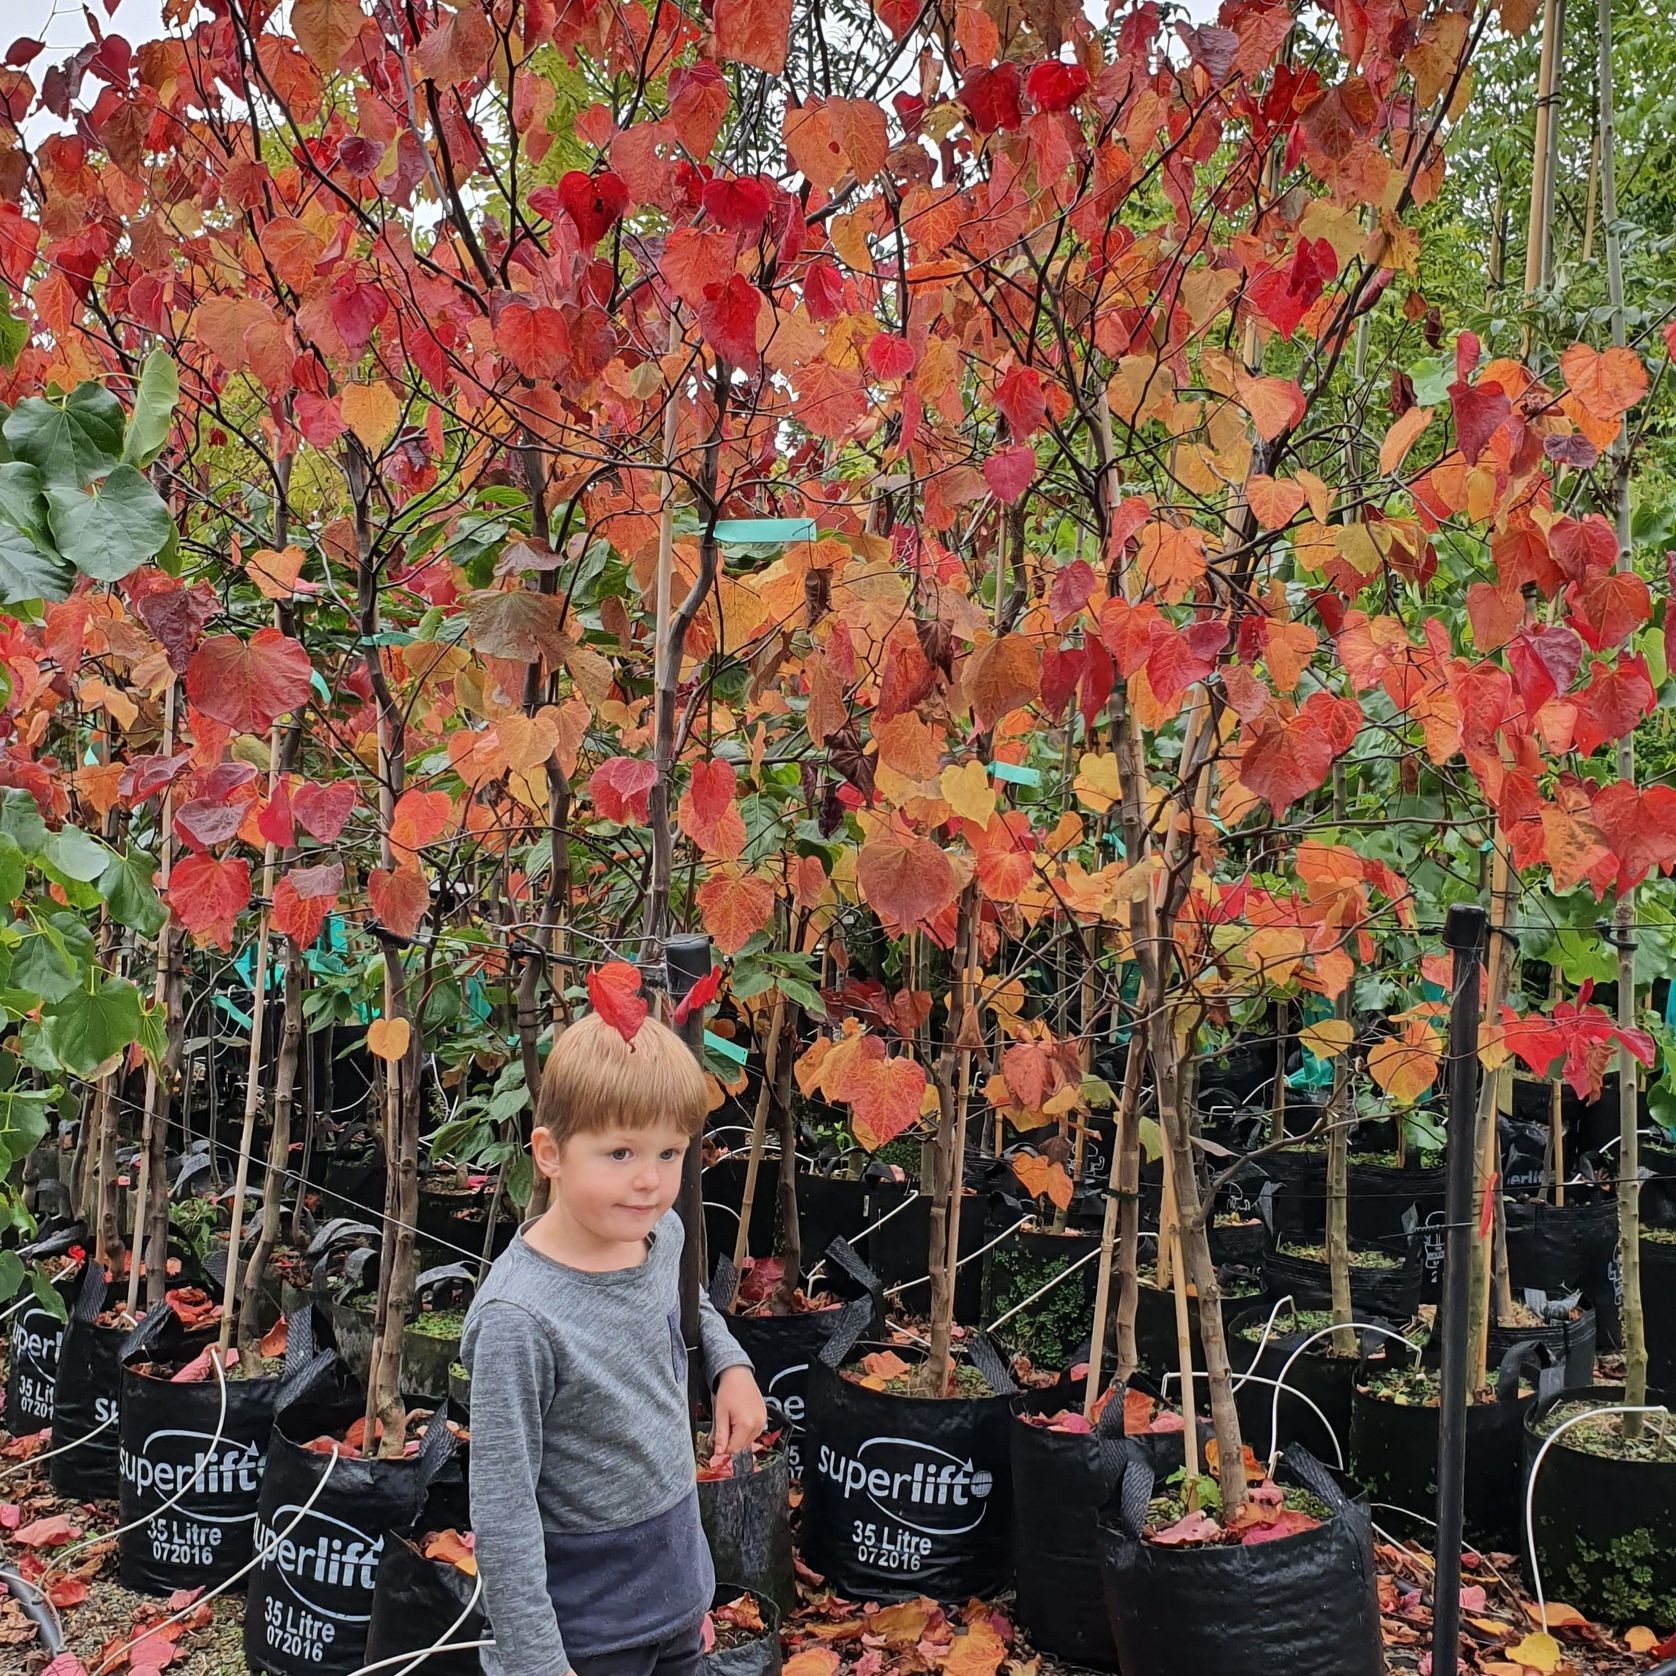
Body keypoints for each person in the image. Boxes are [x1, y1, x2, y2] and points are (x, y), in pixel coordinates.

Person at [463, 1007, 767, 1676]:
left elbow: (688, 1310)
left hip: (674, 1592)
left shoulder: (659, 1238)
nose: (650, 1181)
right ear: (550, 1155)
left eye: (670, 1152)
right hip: (585, 1634)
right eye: (621, 1153)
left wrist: (730, 1366)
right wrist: (537, 1662)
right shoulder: (520, 1321)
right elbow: (503, 1511)